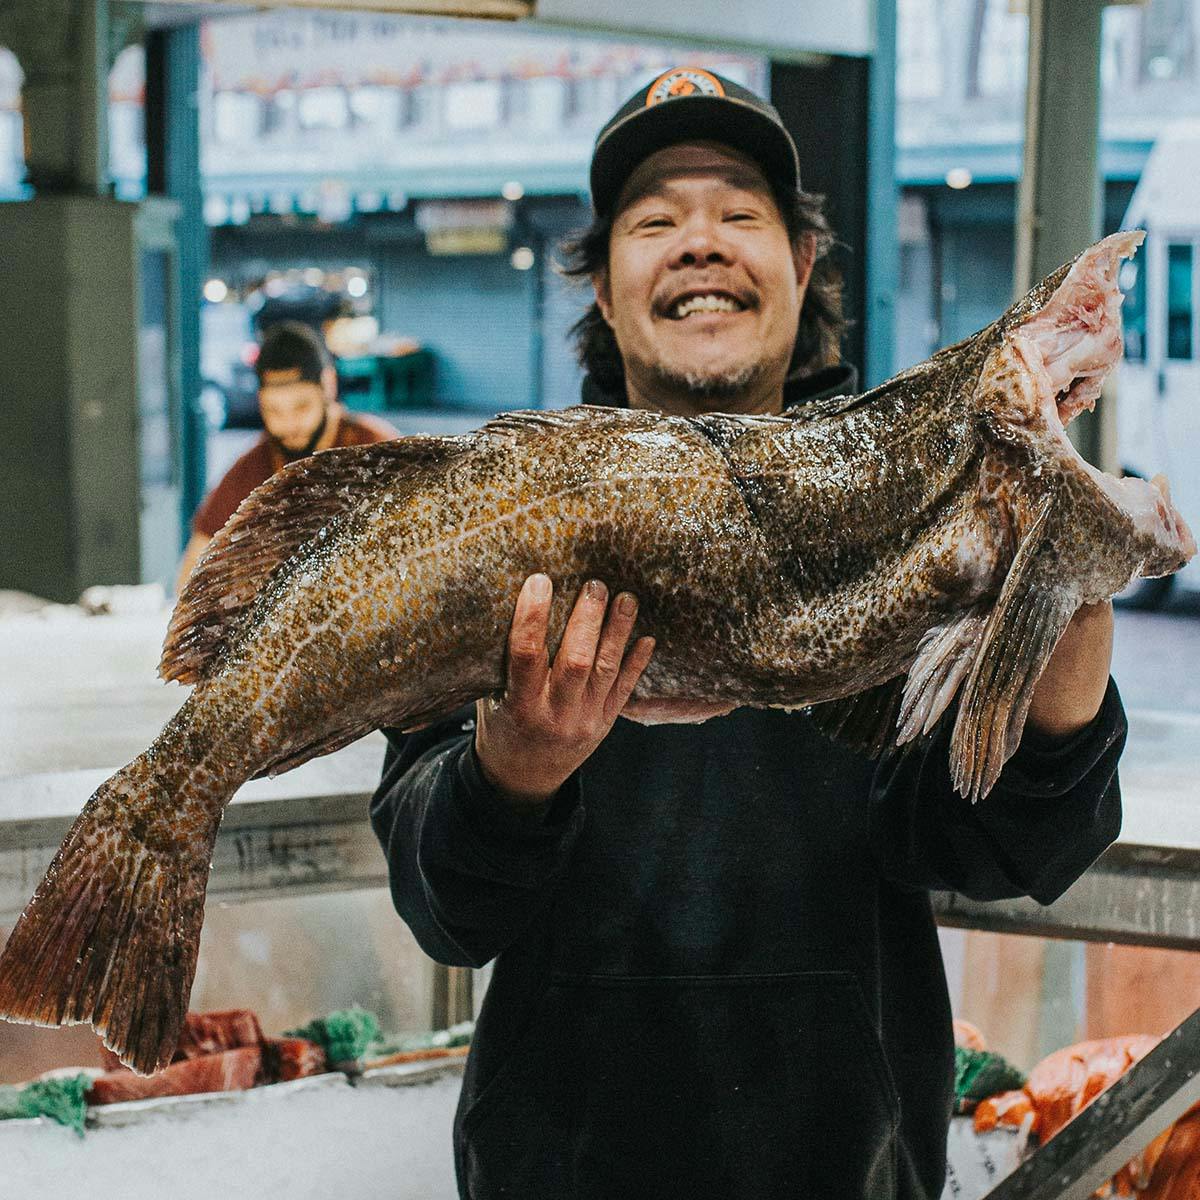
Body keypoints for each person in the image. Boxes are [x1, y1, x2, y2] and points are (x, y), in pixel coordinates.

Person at [370, 69, 1126, 1199]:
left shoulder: (904, 514)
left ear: (803, 265)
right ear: (605, 286)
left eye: (739, 213)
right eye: (655, 221)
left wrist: (1063, 657)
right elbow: (444, 907)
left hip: (855, 1171)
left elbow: (996, 847)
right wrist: (507, 777)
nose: (700, 244)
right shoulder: (506, 520)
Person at [176, 320, 397, 592]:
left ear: (328, 385)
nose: (289, 424)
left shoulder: (375, 449)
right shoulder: (252, 468)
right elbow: (191, 575)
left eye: (301, 407)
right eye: (274, 411)